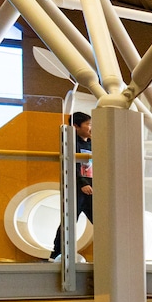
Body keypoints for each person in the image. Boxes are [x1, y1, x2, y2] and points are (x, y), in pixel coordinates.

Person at [50, 112, 93, 261]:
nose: (90, 127)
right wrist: (82, 183)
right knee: (69, 221)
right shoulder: (71, 142)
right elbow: (71, 164)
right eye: (88, 124)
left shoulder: (91, 143)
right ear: (75, 126)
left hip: (92, 189)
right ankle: (56, 253)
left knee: (100, 220)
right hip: (77, 189)